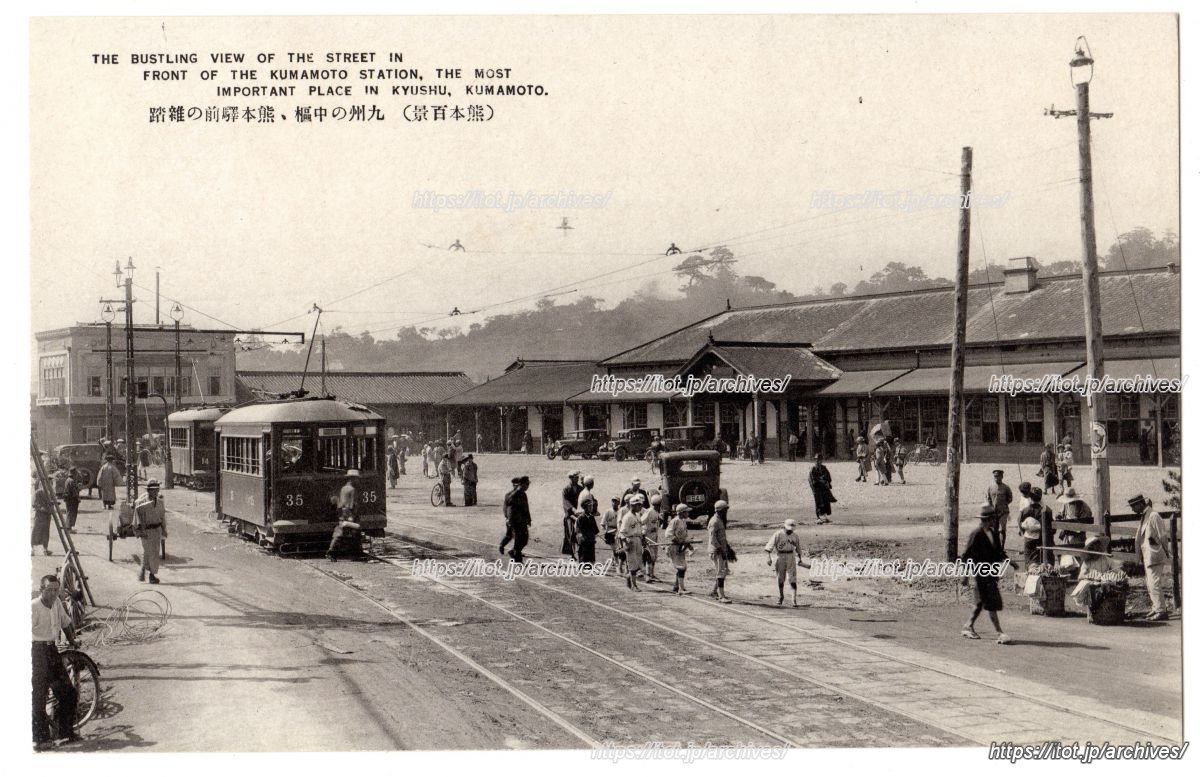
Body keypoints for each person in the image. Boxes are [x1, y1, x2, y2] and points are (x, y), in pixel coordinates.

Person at [32, 574, 79, 750]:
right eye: (49, 590)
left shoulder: (57, 603)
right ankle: (40, 739)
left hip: (51, 651)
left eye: (56, 590)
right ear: (41, 590)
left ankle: (65, 733)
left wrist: (72, 640)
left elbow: (65, 623)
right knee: (39, 695)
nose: (53, 593)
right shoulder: (33, 607)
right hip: (36, 652)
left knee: (68, 692)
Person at [959, 504, 1012, 644]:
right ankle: (999, 632)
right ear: (987, 519)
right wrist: (965, 575)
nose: (994, 521)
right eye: (992, 518)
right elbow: (966, 556)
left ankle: (968, 626)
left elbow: (999, 552)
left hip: (991, 573)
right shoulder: (976, 534)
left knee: (981, 602)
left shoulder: (993, 533)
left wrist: (1009, 562)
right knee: (990, 602)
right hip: (980, 573)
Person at [1132, 493, 1174, 620]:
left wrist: (1166, 551)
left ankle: (1161, 611)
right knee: (1150, 583)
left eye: (1134, 506)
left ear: (1141, 504)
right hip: (1148, 555)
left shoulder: (1154, 516)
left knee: (1154, 583)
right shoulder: (1145, 516)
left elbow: (1162, 536)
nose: (1132, 509)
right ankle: (1156, 608)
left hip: (1155, 554)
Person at [765, 518, 811, 607]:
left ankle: (794, 600)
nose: (790, 531)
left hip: (791, 556)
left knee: (792, 578)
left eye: (792, 530)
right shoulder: (778, 534)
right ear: (784, 527)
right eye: (788, 529)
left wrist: (800, 559)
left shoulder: (795, 536)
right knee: (780, 578)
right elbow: (769, 547)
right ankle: (781, 596)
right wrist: (768, 558)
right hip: (780, 556)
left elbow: (798, 548)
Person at [134, 479, 168, 583]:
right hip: (146, 530)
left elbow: (162, 517)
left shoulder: (160, 503)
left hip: (156, 530)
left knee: (155, 553)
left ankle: (151, 575)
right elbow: (137, 518)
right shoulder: (140, 503)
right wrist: (140, 530)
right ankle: (145, 571)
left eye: (157, 489)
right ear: (149, 490)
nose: (156, 492)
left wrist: (164, 529)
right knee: (147, 551)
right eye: (153, 490)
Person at [326, 470, 362, 561]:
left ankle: (333, 552)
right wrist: (351, 516)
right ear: (352, 479)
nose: (358, 480)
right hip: (349, 514)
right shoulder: (352, 489)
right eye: (356, 479)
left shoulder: (344, 488)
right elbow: (351, 505)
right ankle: (332, 552)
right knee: (348, 533)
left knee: (344, 533)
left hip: (343, 513)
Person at [1019, 488, 1051, 569]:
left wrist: (1024, 531)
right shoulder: (1046, 510)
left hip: (1028, 537)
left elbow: (1020, 522)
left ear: (1030, 497)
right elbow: (1050, 527)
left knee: (1028, 560)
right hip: (1041, 538)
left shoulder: (1025, 510)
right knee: (1040, 561)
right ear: (1041, 497)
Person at [665, 503, 693, 595]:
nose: (688, 513)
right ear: (682, 512)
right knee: (681, 567)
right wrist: (678, 541)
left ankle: (676, 586)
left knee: (682, 567)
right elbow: (668, 534)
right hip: (674, 547)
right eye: (686, 512)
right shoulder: (675, 521)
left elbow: (684, 536)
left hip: (680, 547)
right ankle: (681, 589)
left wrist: (688, 545)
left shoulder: (683, 522)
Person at [706, 501, 731, 601]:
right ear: (720, 510)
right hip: (716, 551)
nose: (726, 511)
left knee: (724, 571)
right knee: (721, 572)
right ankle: (721, 596)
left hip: (721, 550)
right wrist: (721, 550)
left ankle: (714, 591)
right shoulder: (714, 521)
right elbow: (713, 539)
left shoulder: (719, 520)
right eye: (725, 510)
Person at [985, 469, 1014, 548]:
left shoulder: (1006, 487)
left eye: (998, 476)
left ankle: (1002, 547)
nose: (996, 478)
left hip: (1003, 512)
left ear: (1002, 477)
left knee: (1002, 530)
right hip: (993, 512)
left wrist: (1003, 504)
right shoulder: (990, 487)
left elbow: (1010, 498)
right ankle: (995, 546)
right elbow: (988, 498)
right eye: (995, 476)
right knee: (994, 530)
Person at [505, 475, 532, 562]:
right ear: (521, 485)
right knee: (518, 540)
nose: (528, 486)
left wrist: (529, 519)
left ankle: (513, 552)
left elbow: (526, 508)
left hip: (522, 521)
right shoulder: (513, 495)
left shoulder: (523, 494)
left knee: (524, 540)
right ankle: (517, 560)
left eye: (528, 484)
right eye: (527, 484)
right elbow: (509, 510)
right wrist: (510, 520)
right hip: (515, 521)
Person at [808, 454, 835, 524]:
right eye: (816, 460)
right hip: (816, 487)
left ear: (821, 460)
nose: (818, 461)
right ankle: (818, 518)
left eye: (819, 460)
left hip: (824, 487)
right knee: (818, 502)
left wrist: (826, 481)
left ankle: (825, 517)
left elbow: (828, 477)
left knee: (826, 501)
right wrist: (821, 481)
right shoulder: (813, 469)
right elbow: (812, 479)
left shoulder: (824, 468)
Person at [641, 493, 662, 583]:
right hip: (647, 537)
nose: (659, 506)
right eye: (658, 505)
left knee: (654, 557)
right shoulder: (649, 512)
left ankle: (652, 574)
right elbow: (641, 522)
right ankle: (648, 574)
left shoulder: (657, 513)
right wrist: (644, 532)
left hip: (654, 537)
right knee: (649, 556)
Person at [561, 471, 582, 558]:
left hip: (579, 514)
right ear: (571, 478)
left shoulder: (580, 488)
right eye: (575, 477)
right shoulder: (565, 489)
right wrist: (573, 509)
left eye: (577, 477)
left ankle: (579, 552)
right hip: (570, 515)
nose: (577, 479)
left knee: (579, 534)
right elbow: (565, 502)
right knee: (571, 534)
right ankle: (572, 555)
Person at [600, 496, 624, 573]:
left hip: (618, 531)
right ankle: (616, 564)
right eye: (613, 501)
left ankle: (615, 561)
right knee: (614, 549)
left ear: (618, 503)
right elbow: (602, 523)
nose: (614, 503)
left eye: (616, 501)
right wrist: (605, 530)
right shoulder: (608, 511)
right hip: (610, 532)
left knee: (618, 548)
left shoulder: (621, 511)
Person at [575, 495, 600, 565]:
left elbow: (595, 530)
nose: (591, 508)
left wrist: (595, 535)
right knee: (583, 558)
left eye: (592, 506)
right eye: (590, 506)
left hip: (591, 541)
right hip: (584, 542)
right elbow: (578, 530)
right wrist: (581, 537)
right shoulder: (580, 518)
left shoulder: (592, 517)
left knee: (591, 558)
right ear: (585, 507)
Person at [32, 480, 54, 557]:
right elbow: (34, 504)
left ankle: (45, 549)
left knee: (46, 532)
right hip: (40, 515)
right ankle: (31, 549)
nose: (50, 485)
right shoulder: (38, 493)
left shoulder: (50, 493)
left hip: (47, 515)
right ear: (42, 484)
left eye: (51, 484)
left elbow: (51, 502)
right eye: (48, 484)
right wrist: (41, 508)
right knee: (36, 531)